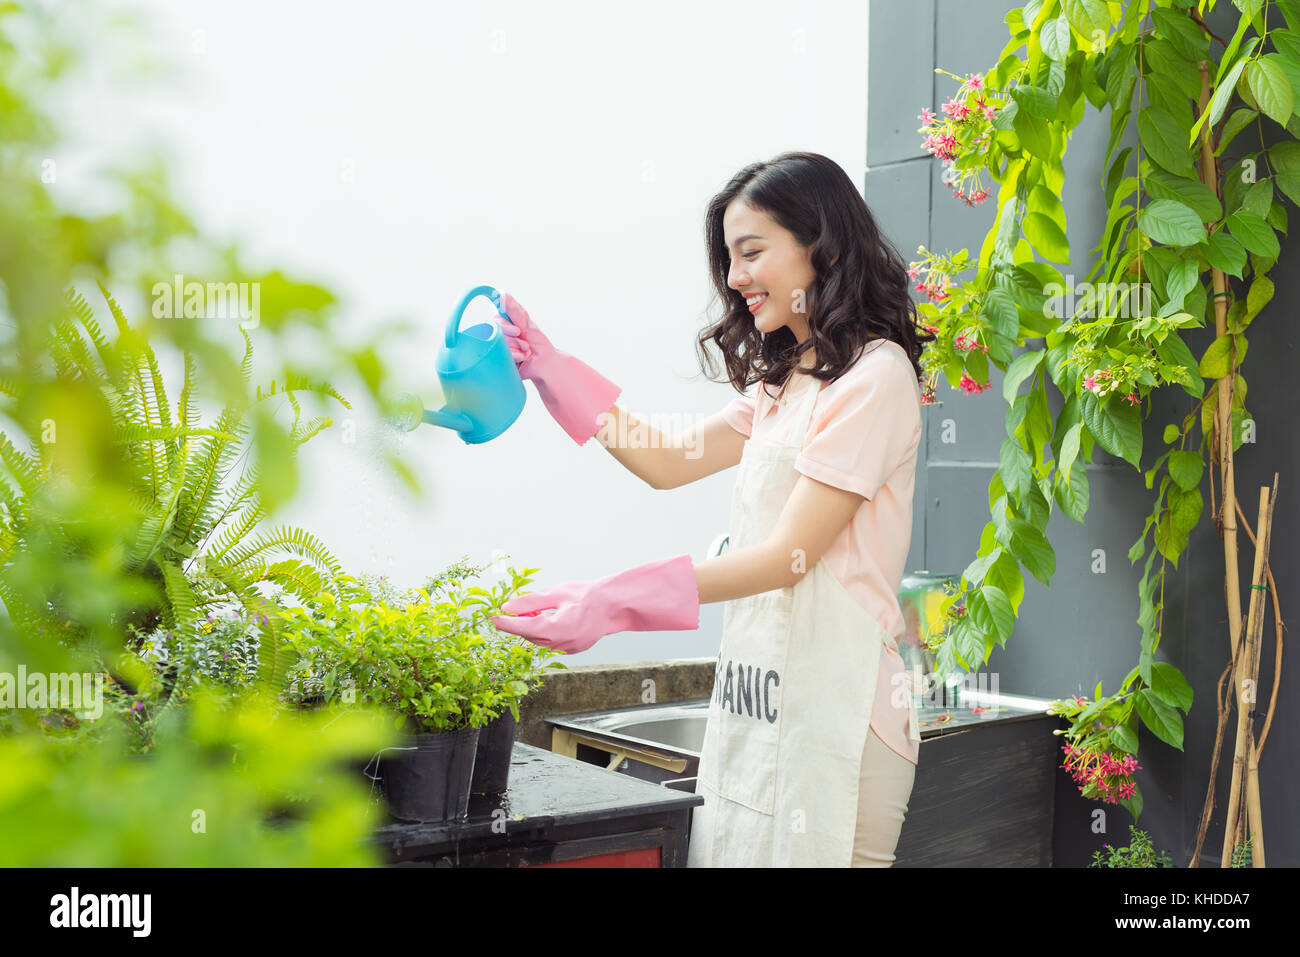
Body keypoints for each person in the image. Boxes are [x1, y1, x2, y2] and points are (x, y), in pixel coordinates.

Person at [489, 151, 937, 867]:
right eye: (728, 258)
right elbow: (667, 458)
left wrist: (613, 601)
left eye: (751, 252)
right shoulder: (785, 382)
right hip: (765, 704)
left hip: (844, 720)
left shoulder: (874, 379)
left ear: (821, 245)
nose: (734, 278)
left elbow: (787, 558)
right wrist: (553, 372)